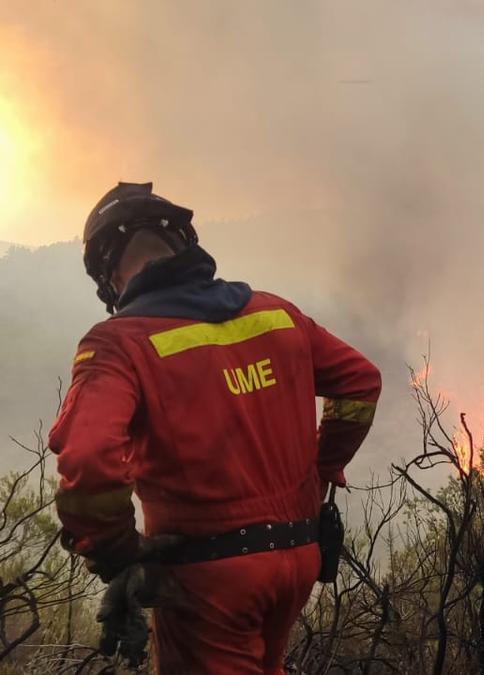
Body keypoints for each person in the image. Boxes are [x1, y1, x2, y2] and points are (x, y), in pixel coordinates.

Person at [50, 182, 382, 672]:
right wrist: (323, 468)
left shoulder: (119, 343)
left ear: (107, 273)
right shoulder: (276, 313)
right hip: (297, 559)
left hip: (206, 582)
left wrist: (117, 551)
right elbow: (360, 384)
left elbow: (86, 459)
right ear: (184, 243)